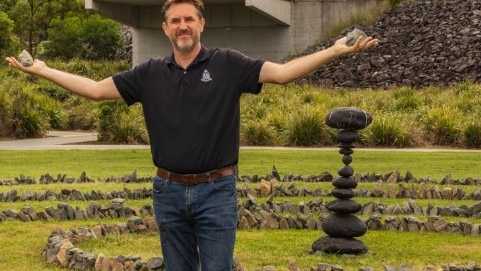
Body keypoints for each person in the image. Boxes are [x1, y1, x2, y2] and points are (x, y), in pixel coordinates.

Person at [6, 0, 379, 270]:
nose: (182, 26)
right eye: (175, 20)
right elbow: (94, 89)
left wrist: (333, 50)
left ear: (202, 24)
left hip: (216, 191)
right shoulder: (148, 73)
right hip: (167, 192)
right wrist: (43, 70)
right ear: (165, 28)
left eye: (189, 19)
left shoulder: (228, 64)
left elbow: (282, 73)